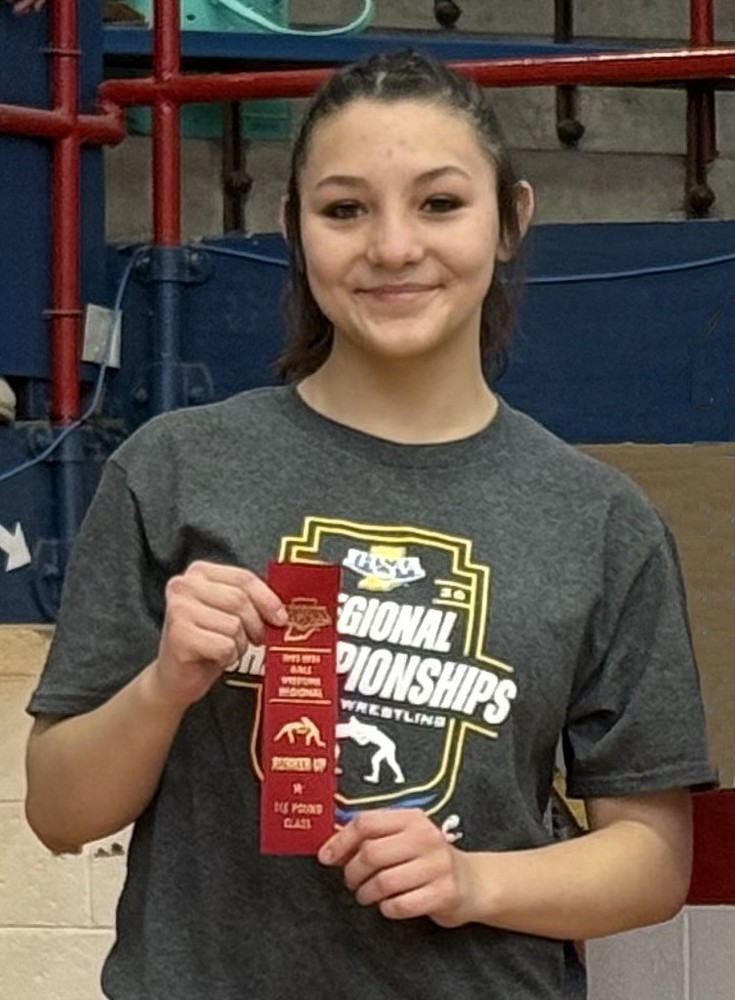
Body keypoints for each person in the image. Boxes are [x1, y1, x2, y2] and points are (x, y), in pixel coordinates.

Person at [25, 50, 714, 1000]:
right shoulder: (176, 467)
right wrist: (164, 685)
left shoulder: (600, 520)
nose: (392, 247)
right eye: (344, 209)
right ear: (293, 231)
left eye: (439, 204)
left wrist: (474, 880)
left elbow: (650, 858)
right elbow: (58, 811)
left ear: (511, 219)